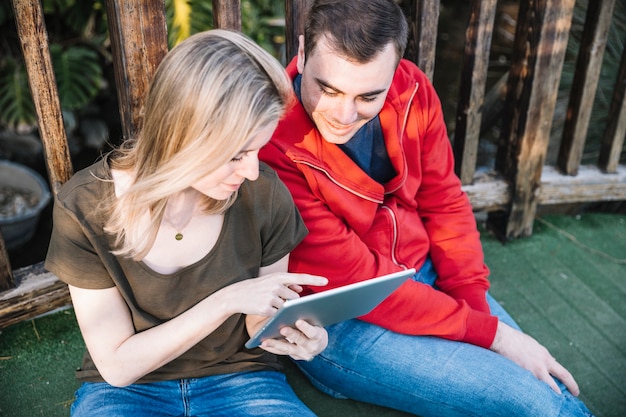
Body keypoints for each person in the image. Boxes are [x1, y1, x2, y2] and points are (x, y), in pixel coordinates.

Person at [259, 1, 594, 416]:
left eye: (368, 96)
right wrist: (494, 336)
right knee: (537, 403)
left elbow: (444, 200)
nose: (343, 115)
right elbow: (353, 277)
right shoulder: (271, 140)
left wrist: (472, 303)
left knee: (546, 383)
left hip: (422, 272)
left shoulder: (412, 87)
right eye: (327, 89)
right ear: (304, 49)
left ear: (396, 67)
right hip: (341, 319)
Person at [44, 29, 329, 417]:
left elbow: (257, 321)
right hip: (129, 391)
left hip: (240, 377)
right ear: (183, 137)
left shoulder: (264, 193)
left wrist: (291, 334)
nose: (250, 171)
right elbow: (118, 366)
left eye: (256, 150)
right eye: (235, 155)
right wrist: (226, 300)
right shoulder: (85, 207)